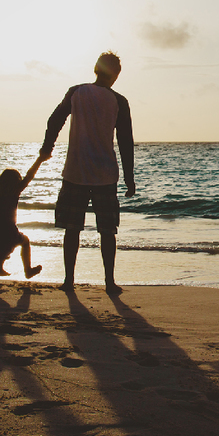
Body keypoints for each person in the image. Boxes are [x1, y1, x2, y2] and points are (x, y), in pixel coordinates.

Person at [39, 51, 135, 295]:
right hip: (105, 174)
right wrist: (129, 176)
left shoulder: (77, 92)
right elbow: (125, 140)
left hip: (76, 171)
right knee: (107, 230)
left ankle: (69, 280)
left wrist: (47, 147)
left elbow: (54, 120)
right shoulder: (119, 101)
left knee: (72, 228)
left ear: (95, 69)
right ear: (117, 74)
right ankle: (109, 282)